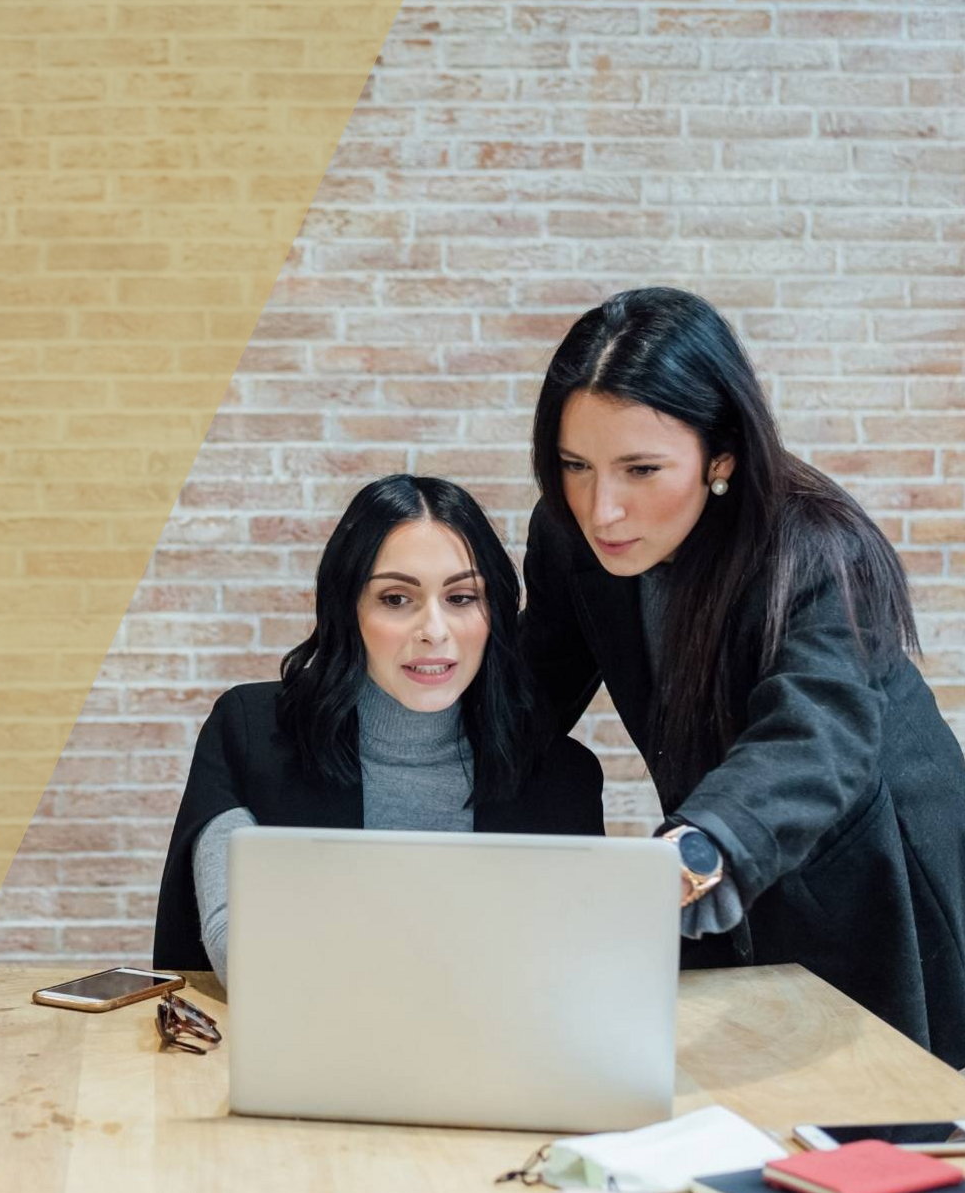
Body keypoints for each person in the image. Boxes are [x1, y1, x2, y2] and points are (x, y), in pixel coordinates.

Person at [520, 286, 965, 1066]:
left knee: (882, 1125)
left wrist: (692, 852)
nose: (603, 510)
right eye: (575, 466)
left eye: (642, 469)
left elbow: (811, 738)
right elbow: (528, 697)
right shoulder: (568, 538)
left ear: (720, 454)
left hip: (874, 861)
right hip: (723, 850)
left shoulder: (820, 550)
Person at [153, 474, 605, 986]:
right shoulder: (250, 733)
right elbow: (245, 952)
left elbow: (569, 975)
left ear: (494, 613)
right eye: (395, 598)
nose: (434, 631)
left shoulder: (563, 777)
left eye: (461, 598)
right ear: (349, 609)